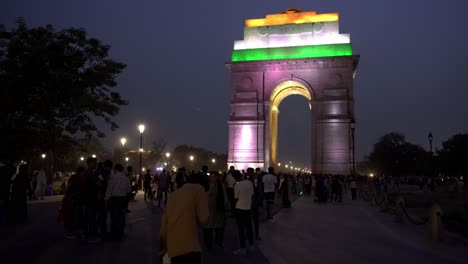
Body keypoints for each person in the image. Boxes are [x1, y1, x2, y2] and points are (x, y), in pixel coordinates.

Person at [159, 170, 208, 264]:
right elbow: (204, 218)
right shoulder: (199, 189)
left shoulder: (174, 195)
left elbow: (164, 225)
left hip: (172, 247)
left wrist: (162, 248)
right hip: (189, 247)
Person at [203, 172, 230, 249]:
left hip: (218, 209)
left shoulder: (221, 186)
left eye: (214, 177)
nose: (213, 178)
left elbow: (225, 197)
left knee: (219, 227)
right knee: (208, 227)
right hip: (209, 210)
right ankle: (209, 244)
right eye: (211, 177)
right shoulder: (207, 185)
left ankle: (218, 242)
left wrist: (225, 205)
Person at [105, 163, 131, 240]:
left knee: (114, 216)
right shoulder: (125, 178)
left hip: (114, 199)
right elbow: (129, 189)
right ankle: (120, 231)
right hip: (122, 199)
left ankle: (114, 233)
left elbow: (109, 189)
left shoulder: (113, 177)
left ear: (116, 169)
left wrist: (106, 199)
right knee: (121, 216)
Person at [233, 170, 255, 256]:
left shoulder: (237, 185)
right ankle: (251, 245)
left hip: (239, 209)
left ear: (235, 178)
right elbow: (252, 195)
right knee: (249, 227)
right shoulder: (250, 183)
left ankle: (242, 248)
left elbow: (236, 198)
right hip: (248, 208)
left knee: (241, 229)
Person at [61, 167, 86, 239]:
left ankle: (74, 231)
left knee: (76, 217)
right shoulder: (75, 178)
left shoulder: (78, 178)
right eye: (83, 172)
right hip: (74, 200)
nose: (84, 174)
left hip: (77, 200)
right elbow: (70, 188)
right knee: (72, 217)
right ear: (81, 172)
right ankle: (71, 232)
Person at [84, 157, 99, 242]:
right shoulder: (90, 173)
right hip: (91, 198)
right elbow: (96, 183)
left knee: (91, 216)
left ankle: (90, 234)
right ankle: (91, 236)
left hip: (90, 197)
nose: (96, 164)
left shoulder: (90, 173)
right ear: (90, 163)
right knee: (91, 217)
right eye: (95, 163)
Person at [246, 168, 261, 240]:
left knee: (250, 220)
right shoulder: (256, 181)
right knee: (255, 221)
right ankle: (255, 235)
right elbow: (259, 191)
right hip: (253, 203)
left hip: (250, 203)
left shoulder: (246, 181)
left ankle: (251, 235)